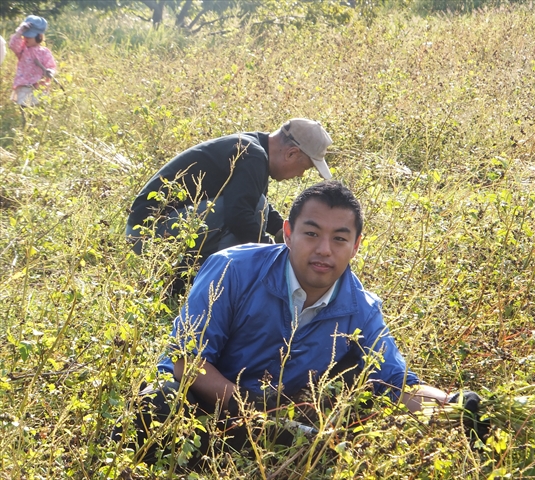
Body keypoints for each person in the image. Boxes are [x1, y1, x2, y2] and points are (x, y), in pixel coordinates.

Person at [113, 181, 485, 466]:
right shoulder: (233, 269)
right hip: (198, 400)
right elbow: (186, 361)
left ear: (356, 247)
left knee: (330, 447)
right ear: (288, 234)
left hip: (273, 421)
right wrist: (253, 416)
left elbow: (396, 383)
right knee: (154, 406)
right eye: (311, 233)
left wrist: (454, 405)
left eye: (340, 239)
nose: (324, 249)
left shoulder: (361, 309)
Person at [125, 118, 333, 267]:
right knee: (250, 212)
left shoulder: (254, 149)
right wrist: (274, 254)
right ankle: (221, 282)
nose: (300, 175)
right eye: (304, 168)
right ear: (291, 153)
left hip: (156, 229)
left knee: (256, 206)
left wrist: (285, 232)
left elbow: (250, 200)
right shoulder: (252, 156)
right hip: (148, 234)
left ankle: (190, 276)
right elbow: (240, 215)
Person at [9, 15, 56, 107]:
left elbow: (51, 65)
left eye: (29, 36)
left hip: (39, 86)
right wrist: (20, 31)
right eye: (25, 36)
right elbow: (13, 45)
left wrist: (50, 71)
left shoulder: (44, 52)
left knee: (37, 108)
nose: (26, 38)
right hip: (24, 85)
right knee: (24, 107)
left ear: (39, 37)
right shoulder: (22, 50)